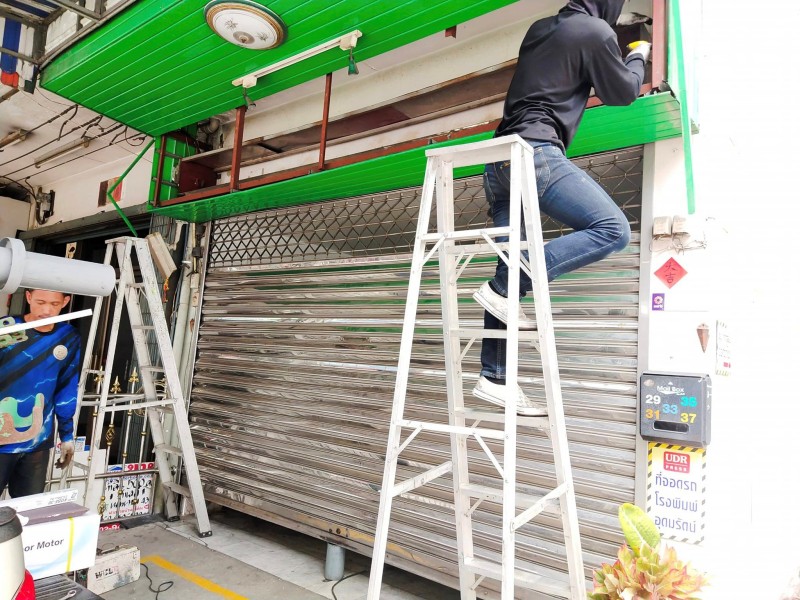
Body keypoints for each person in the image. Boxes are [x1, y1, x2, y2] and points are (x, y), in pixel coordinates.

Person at [472, 0, 651, 414]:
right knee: (613, 230)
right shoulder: (596, 31)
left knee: (507, 274)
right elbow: (623, 92)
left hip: (498, 162)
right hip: (536, 153)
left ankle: (495, 377)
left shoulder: (539, 28)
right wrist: (638, 54)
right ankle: (509, 283)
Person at [0, 289, 80, 497]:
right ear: (28, 297)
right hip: (1, 437)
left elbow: (66, 387)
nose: (46, 310)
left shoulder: (68, 337)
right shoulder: (6, 328)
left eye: (54, 304)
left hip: (37, 441)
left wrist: (67, 435)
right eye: (40, 302)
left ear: (65, 302)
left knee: (29, 507)